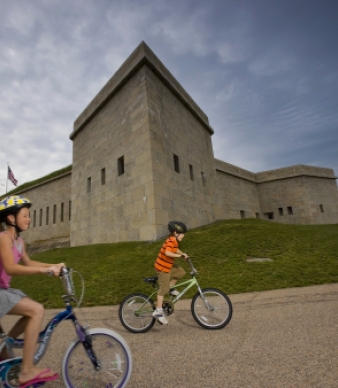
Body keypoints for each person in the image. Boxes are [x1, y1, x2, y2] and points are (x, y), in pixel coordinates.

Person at [0, 195, 65, 387]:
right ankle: (26, 371)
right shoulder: (4, 238)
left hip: (4, 289)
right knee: (36, 310)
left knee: (30, 312)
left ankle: (5, 349)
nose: (29, 219)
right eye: (25, 215)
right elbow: (11, 268)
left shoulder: (19, 241)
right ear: (11, 218)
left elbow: (28, 262)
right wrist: (44, 270)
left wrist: (54, 265)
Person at [152, 221, 189, 325]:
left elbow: (175, 249)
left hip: (168, 266)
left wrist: (183, 254)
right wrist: (179, 256)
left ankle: (171, 288)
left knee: (180, 272)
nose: (184, 235)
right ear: (176, 233)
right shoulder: (170, 240)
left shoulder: (174, 241)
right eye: (182, 233)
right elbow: (167, 252)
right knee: (163, 289)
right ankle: (158, 312)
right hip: (162, 268)